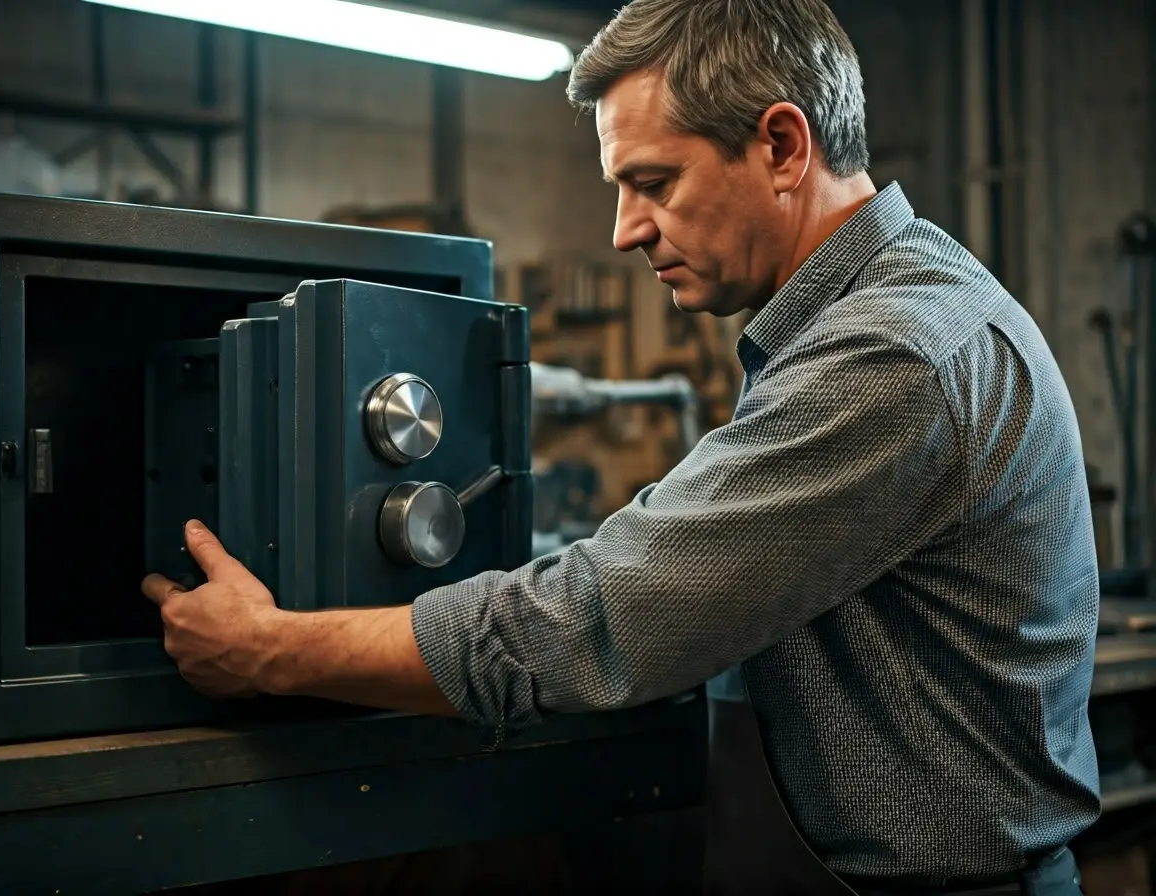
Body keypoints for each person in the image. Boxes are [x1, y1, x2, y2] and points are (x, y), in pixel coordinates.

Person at [141, 1, 1100, 893]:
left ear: (781, 145)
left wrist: (268, 648)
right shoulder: (888, 311)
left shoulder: (888, 355)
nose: (626, 229)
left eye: (654, 182)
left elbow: (597, 623)